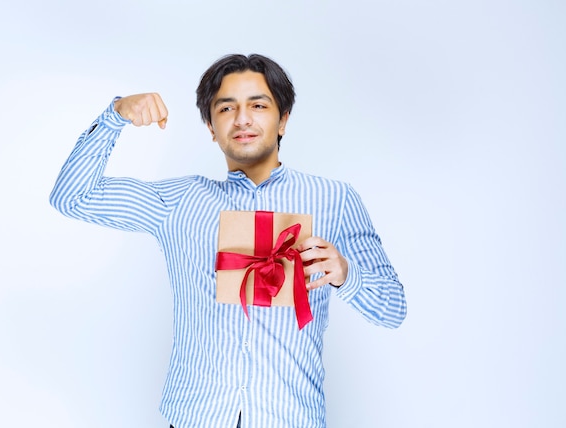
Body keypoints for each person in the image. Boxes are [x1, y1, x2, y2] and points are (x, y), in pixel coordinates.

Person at [50, 53, 407, 428]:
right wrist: (114, 116)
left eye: (258, 105)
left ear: (283, 119)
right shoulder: (180, 202)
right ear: (210, 126)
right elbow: (72, 197)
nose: (242, 119)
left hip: (290, 418)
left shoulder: (335, 200)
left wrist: (346, 274)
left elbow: (393, 309)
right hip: (197, 416)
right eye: (226, 108)